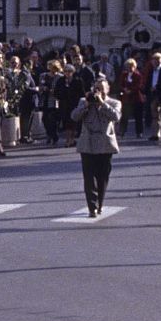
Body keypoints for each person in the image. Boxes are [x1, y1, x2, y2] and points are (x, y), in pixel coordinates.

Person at [70, 74, 121, 217]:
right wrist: (86, 105)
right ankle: (92, 207)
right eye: (96, 89)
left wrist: (102, 103)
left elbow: (116, 117)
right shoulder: (84, 101)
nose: (99, 93)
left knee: (102, 177)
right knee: (89, 177)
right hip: (88, 143)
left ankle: (100, 202)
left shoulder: (114, 103)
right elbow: (74, 116)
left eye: (102, 90)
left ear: (108, 90)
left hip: (105, 143)